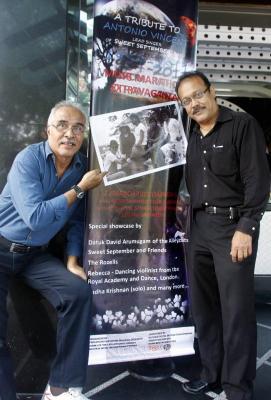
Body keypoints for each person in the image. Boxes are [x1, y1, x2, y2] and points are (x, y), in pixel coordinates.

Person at [0, 100, 105, 400]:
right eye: (62, 125)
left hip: (34, 255)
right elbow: (34, 215)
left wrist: (72, 260)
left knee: (78, 292)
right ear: (47, 130)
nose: (69, 133)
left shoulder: (81, 168)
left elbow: (76, 220)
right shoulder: (28, 159)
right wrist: (80, 188)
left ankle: (60, 389)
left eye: (77, 128)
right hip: (1, 248)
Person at [175, 71, 270, 400]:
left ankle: (237, 387)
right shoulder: (190, 133)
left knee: (236, 311)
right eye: (186, 100)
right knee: (205, 309)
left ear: (212, 92)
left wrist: (246, 227)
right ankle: (212, 375)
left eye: (197, 95)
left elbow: (258, 181)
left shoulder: (243, 126)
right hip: (198, 227)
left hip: (232, 228)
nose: (193, 104)